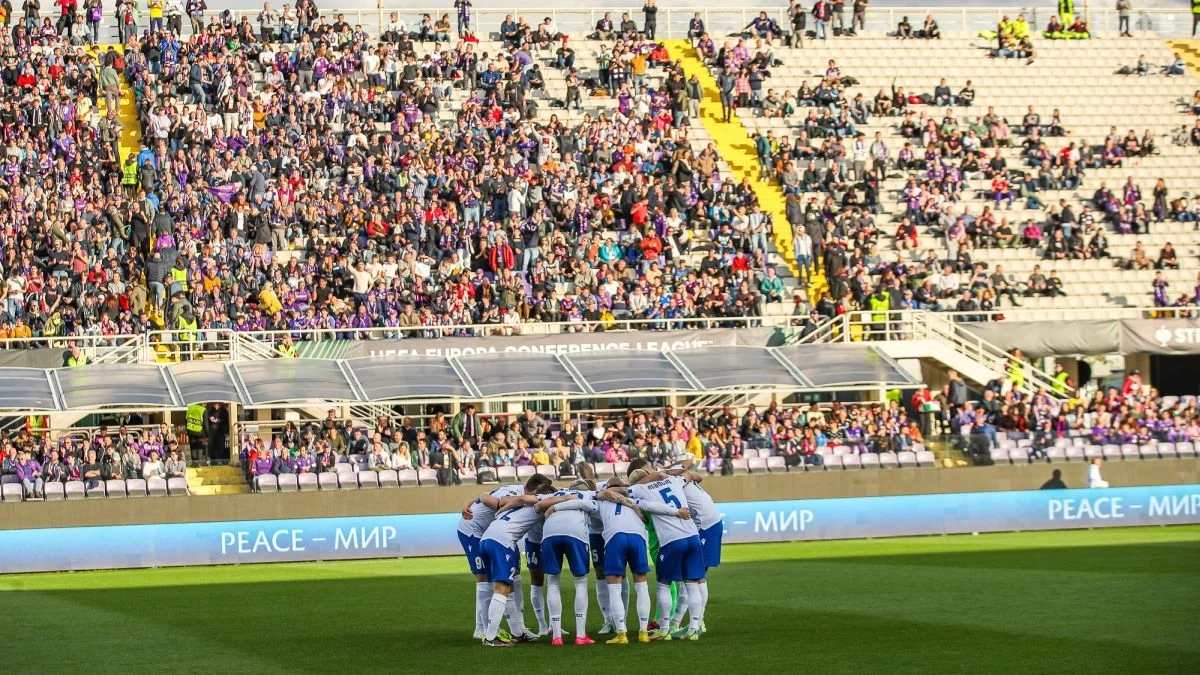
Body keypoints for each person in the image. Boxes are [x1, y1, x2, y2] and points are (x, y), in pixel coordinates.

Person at [628, 467, 707, 641]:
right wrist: (666, 472)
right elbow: (688, 472)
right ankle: (694, 629)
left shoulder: (640, 489)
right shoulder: (674, 480)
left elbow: (625, 493)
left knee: (664, 584)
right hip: (692, 535)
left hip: (671, 540)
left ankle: (664, 630)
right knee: (692, 583)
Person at [478, 476, 555, 646]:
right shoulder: (538, 504)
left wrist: (499, 511)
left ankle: (517, 633)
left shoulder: (518, 505)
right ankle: (491, 637)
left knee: (509, 590)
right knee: (502, 590)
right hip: (501, 542)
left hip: (487, 540)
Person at [535, 481, 602, 646]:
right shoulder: (588, 494)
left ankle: (556, 636)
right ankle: (580, 635)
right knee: (580, 581)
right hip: (575, 533)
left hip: (549, 533)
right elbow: (595, 507)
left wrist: (556, 507)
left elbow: (537, 506)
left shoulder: (552, 495)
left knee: (552, 581)